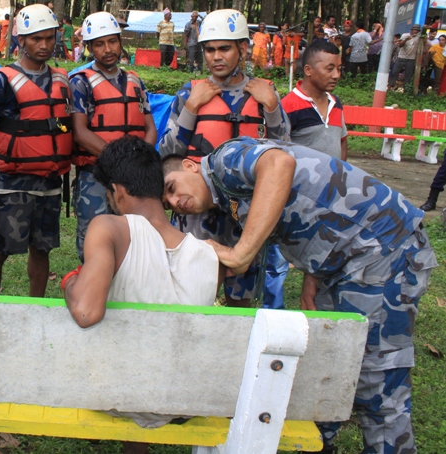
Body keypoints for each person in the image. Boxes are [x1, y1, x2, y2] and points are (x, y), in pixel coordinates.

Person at [161, 137, 435, 454]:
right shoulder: (225, 198)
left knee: (375, 380)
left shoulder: (224, 161)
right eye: (168, 203)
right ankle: (321, 446)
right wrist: (312, 274)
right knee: (329, 362)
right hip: (344, 262)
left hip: (382, 249)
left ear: (189, 166)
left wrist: (240, 253)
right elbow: (310, 206)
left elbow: (280, 164)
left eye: (171, 188)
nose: (175, 201)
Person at [63, 135, 219, 454]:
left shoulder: (110, 227)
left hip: (116, 395)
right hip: (185, 400)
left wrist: (69, 282)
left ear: (117, 192)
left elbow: (85, 312)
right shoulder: (207, 254)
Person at [157, 8, 290, 310]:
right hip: (198, 214)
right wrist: (191, 108)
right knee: (190, 292)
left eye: (224, 48)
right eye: (209, 49)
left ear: (242, 49)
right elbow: (167, 154)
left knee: (241, 297)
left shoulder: (265, 93)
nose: (216, 56)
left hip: (246, 212)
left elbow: (284, 154)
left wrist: (271, 108)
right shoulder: (188, 93)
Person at [0, 4, 72, 297]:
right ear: (21, 40)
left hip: (49, 183)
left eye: (49, 37)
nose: (44, 45)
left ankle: (36, 305)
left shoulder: (62, 79)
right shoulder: (2, 81)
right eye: (36, 38)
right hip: (13, 184)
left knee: (42, 249)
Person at [71, 11, 156, 262]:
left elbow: (149, 127)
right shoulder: (80, 82)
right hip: (96, 176)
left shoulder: (134, 80)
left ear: (120, 42)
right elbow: (80, 132)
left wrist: (139, 163)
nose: (107, 49)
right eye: (99, 44)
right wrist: (118, 162)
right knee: (93, 241)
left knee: (134, 241)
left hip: (132, 177)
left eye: (112, 41)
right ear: (89, 48)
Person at [281, 41, 347, 160]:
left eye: (339, 68)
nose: (336, 75)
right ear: (308, 70)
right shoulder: (288, 106)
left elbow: (342, 142)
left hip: (334, 178)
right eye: (330, 69)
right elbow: (279, 152)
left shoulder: (335, 103)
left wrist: (342, 173)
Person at [389, 24, 421, 91]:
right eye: (415, 30)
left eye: (417, 30)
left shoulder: (419, 37)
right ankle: (390, 86)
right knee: (395, 72)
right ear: (412, 30)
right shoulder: (405, 35)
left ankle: (406, 89)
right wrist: (406, 40)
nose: (416, 31)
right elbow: (400, 45)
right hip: (401, 57)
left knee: (408, 75)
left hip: (411, 58)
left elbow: (424, 35)